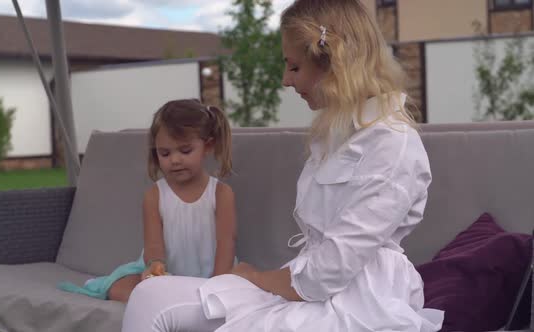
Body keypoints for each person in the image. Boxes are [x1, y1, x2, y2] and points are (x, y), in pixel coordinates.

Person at [121, 0, 445, 330]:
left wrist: (256, 277)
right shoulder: (337, 136)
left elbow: (330, 270)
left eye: (294, 67)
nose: (285, 81)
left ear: (335, 64)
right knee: (151, 294)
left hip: (357, 302)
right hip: (306, 287)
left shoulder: (391, 144)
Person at [58, 99, 237, 303]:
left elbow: (226, 244)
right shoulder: (155, 195)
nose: (175, 160)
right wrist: (155, 265)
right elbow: (153, 245)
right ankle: (175, 297)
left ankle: (184, 298)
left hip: (212, 273)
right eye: (165, 153)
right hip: (167, 275)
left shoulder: (221, 193)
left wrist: (217, 283)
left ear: (208, 146)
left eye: (185, 151)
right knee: (119, 286)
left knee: (241, 283)